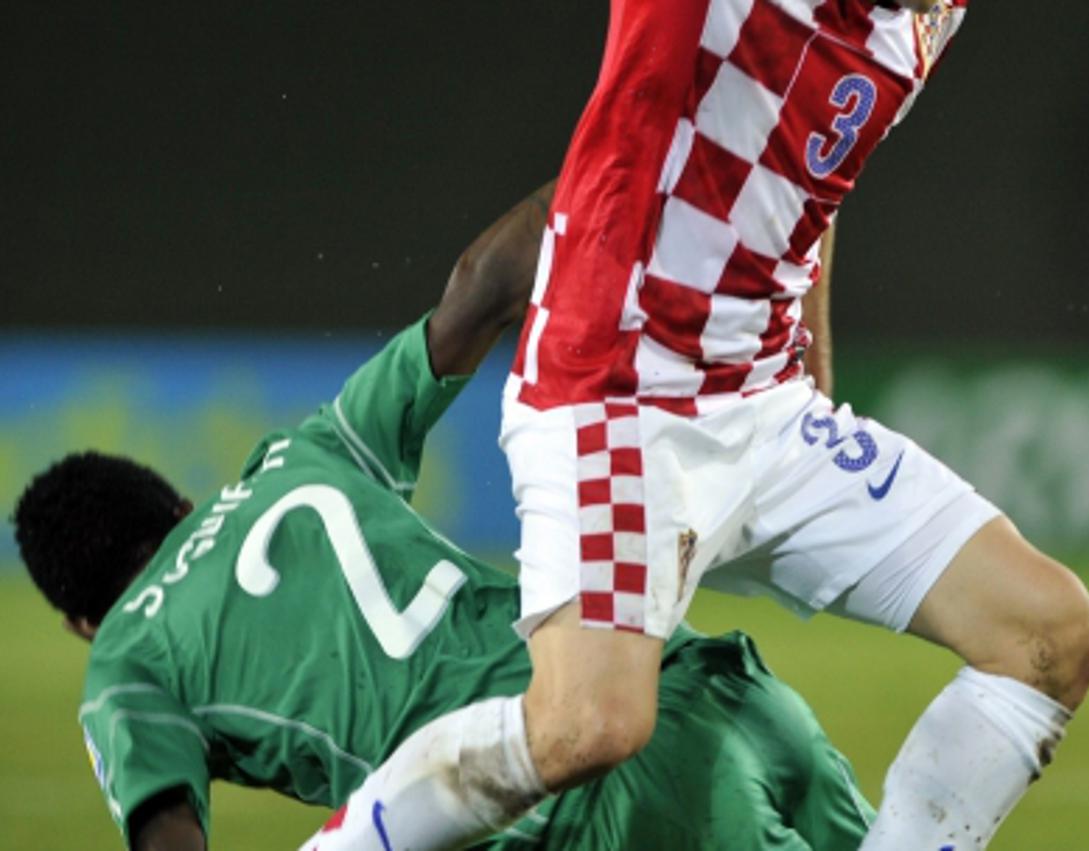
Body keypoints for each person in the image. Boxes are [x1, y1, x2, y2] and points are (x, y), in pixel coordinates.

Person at [378, 2, 1089, 850]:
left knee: (1052, 634)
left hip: (765, 403)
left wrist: (813, 376)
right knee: (587, 725)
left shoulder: (931, 17)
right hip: (621, 388)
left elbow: (812, 176)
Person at [12, 185, 876, 851]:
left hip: (592, 793)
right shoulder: (305, 454)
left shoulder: (126, 662)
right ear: (182, 505)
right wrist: (638, 170)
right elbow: (481, 284)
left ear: (83, 620)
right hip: (715, 688)